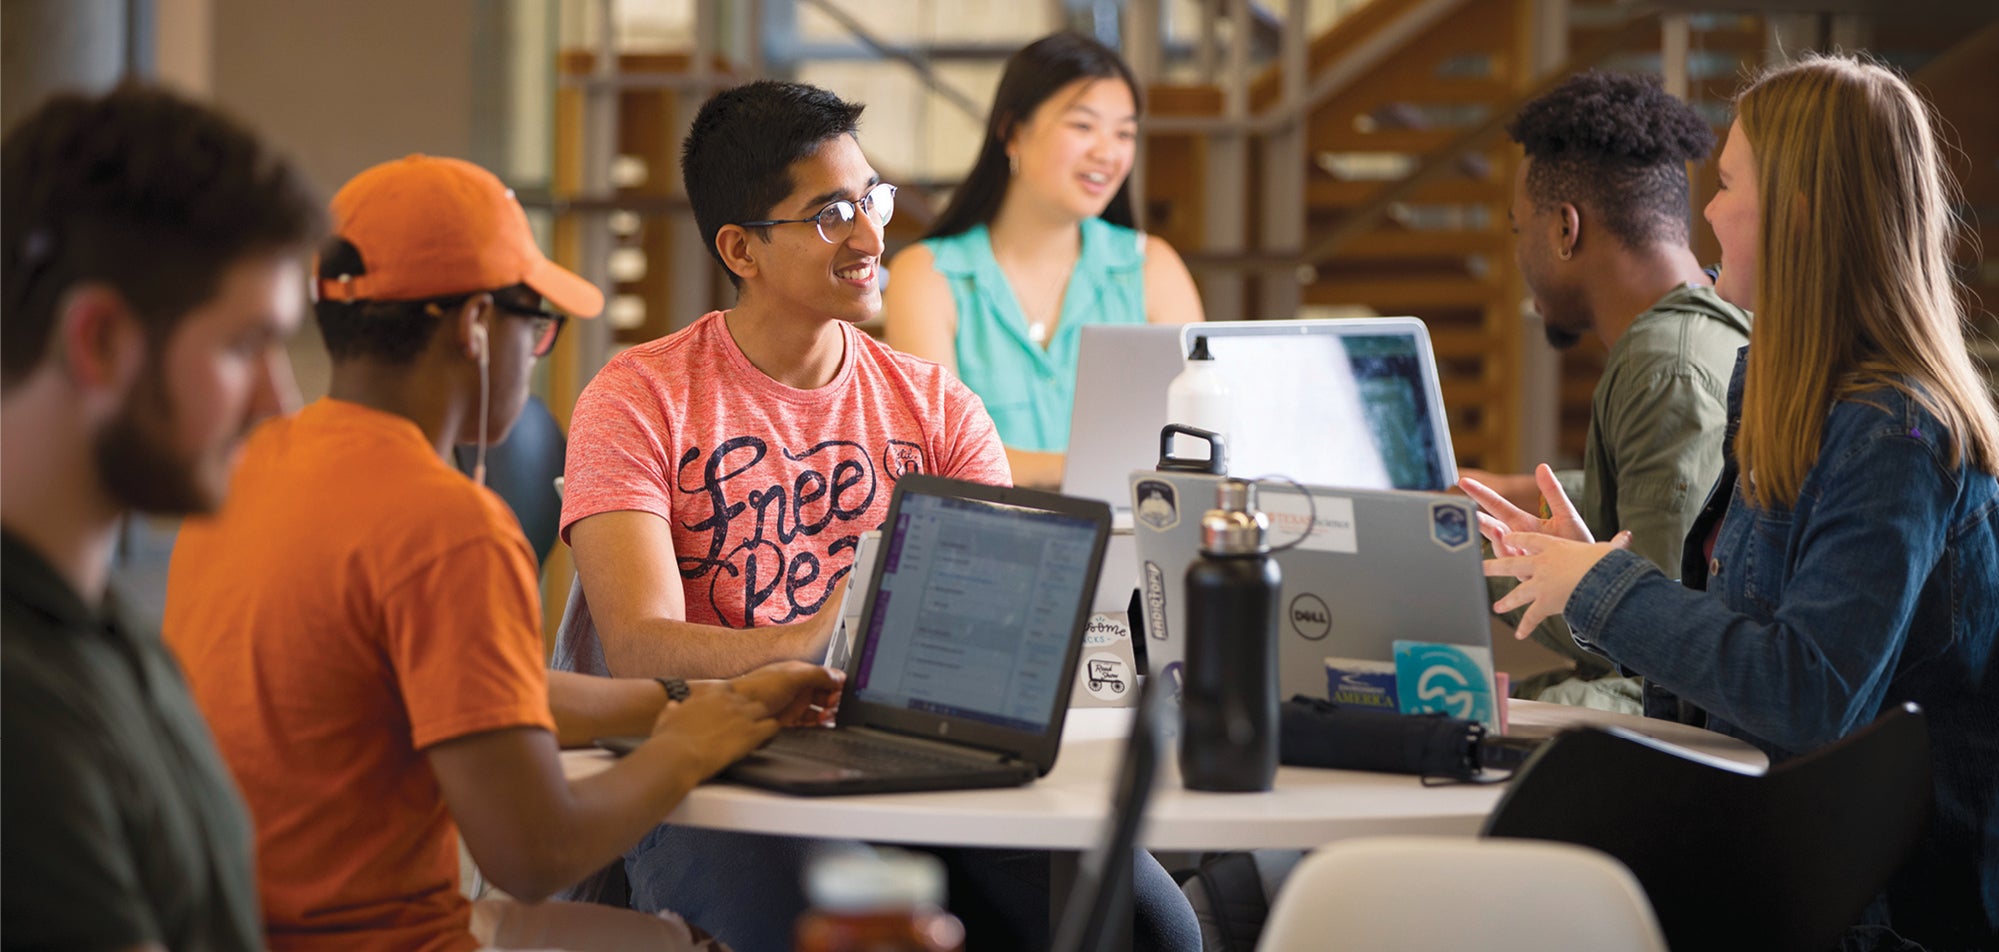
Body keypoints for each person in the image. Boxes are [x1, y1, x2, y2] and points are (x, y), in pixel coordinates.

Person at [557, 80, 1196, 952]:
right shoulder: (640, 397)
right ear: (740, 249)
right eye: (829, 215)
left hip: (920, 759)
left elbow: (993, 625)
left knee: (1155, 929)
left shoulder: (937, 405)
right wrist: (821, 638)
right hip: (713, 765)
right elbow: (637, 645)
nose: (869, 236)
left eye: (871, 198)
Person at [162, 154, 842, 952]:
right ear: (477, 326)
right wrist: (692, 746)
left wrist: (709, 701)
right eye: (539, 327)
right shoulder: (446, 522)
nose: (537, 354)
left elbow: (484, 699)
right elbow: (533, 851)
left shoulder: (248, 468)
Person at [1467, 55, 1998, 948]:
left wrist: (1603, 586)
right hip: (1789, 870)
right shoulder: (1797, 400)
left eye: (1726, 183)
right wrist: (1585, 580)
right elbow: (1739, 658)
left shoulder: (1897, 434)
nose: (1704, 211)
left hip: (1881, 917)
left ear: (1794, 213)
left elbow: (1804, 691)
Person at [0, 85, 322, 951]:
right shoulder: (19, 717)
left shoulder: (102, 634)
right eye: (244, 345)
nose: (278, 402)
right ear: (98, 340)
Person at [1464, 71, 1751, 709]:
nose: (1519, 255)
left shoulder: (1664, 369)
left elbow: (1653, 654)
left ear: (1566, 230)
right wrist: (1481, 504)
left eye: (1520, 231)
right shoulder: (1698, 335)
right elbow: (1632, 506)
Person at [882, 31, 1203, 490]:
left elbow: (1196, 439)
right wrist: (1099, 468)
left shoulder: (1153, 267)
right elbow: (941, 457)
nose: (1107, 153)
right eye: (1083, 126)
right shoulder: (927, 276)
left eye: (1125, 133)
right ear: (1012, 133)